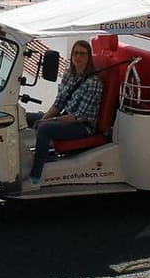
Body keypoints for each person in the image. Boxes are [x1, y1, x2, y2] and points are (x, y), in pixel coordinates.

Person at [26, 40, 103, 184]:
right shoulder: (69, 74)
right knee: (24, 117)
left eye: (82, 54)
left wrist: (47, 121)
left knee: (45, 128)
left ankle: (35, 176)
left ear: (88, 58)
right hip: (65, 118)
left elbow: (79, 116)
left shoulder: (93, 82)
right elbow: (59, 103)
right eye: (75, 53)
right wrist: (44, 118)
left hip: (81, 126)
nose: (78, 57)